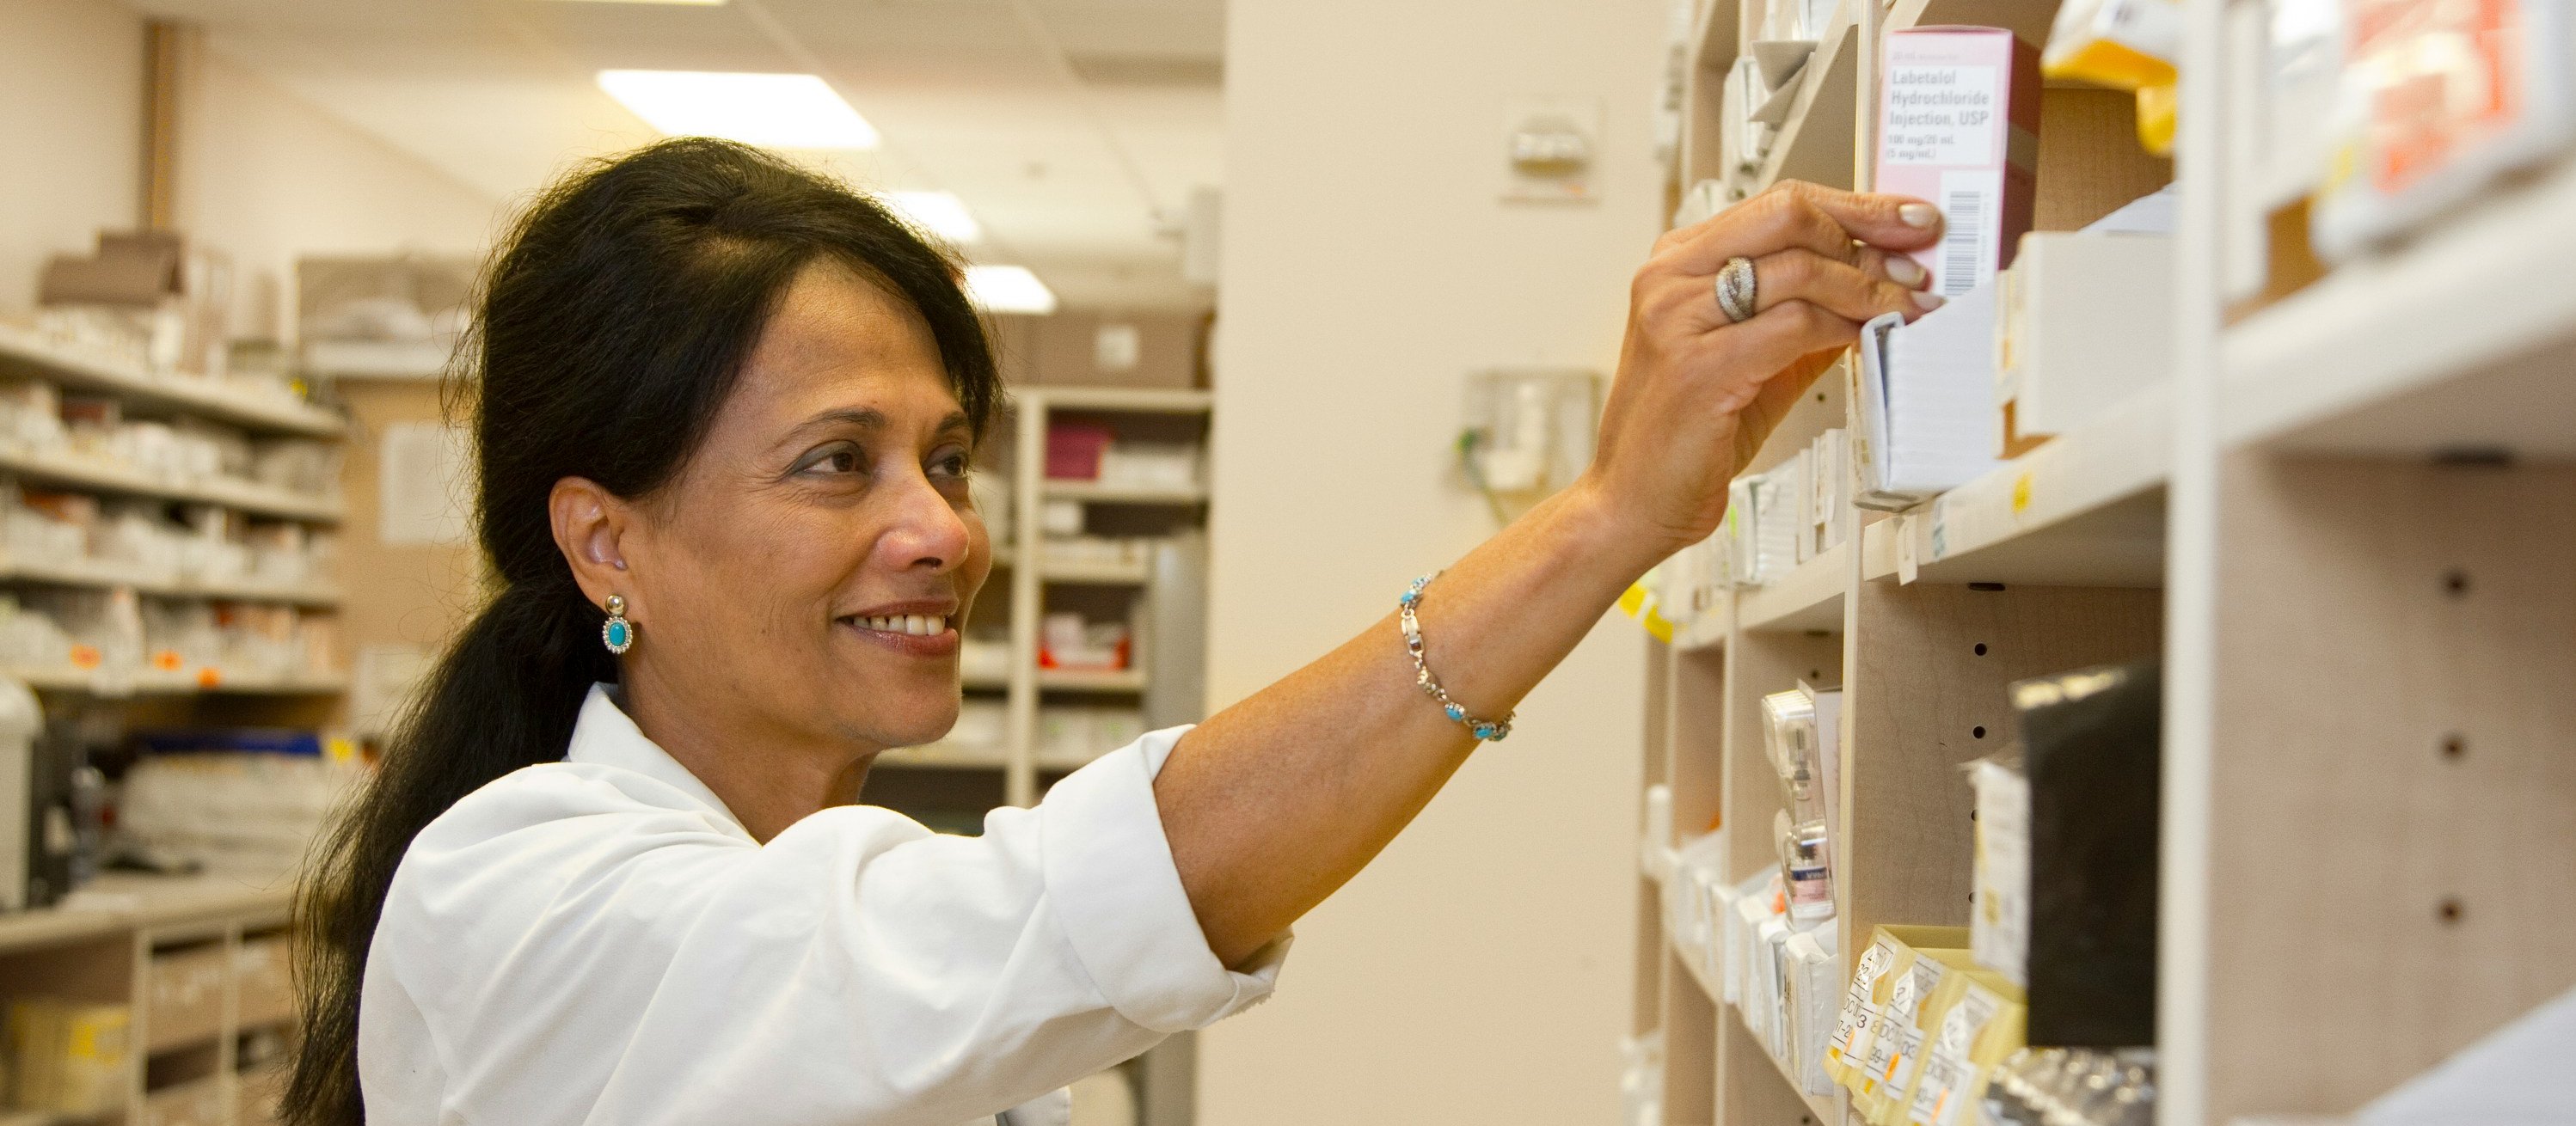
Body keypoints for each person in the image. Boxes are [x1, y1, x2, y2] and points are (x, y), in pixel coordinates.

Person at [285, 138, 1944, 1126]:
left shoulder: (845, 870)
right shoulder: (514, 897)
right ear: (606, 539)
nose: (942, 527)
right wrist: (1604, 520)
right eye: (834, 464)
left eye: (944, 457)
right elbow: (1075, 905)